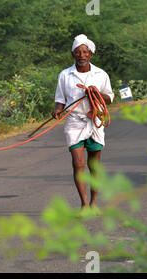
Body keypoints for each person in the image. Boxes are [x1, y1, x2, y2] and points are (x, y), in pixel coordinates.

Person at [52, 34, 114, 214]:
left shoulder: (101, 74)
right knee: (78, 163)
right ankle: (84, 204)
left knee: (94, 165)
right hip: (74, 123)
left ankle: (94, 203)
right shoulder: (65, 75)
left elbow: (109, 98)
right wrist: (57, 109)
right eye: (78, 52)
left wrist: (96, 94)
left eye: (85, 52)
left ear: (91, 55)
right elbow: (60, 99)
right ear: (73, 55)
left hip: (95, 122)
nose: (81, 55)